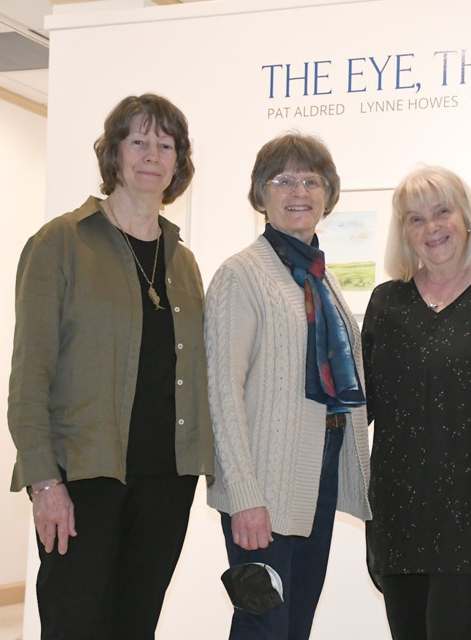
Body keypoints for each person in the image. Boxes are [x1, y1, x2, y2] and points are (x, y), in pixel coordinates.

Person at [7, 93, 215, 640]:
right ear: (114, 154)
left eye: (165, 145)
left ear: (179, 162)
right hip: (82, 477)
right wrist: (42, 481)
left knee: (136, 625)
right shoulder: (61, 242)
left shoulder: (183, 261)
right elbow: (29, 374)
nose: (152, 155)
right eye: (138, 141)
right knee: (76, 624)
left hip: (166, 480)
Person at [204, 131, 372, 639]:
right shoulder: (241, 274)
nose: (298, 191)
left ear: (328, 194)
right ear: (261, 194)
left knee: (296, 622)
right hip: (264, 486)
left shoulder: (321, 277)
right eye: (283, 180)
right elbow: (221, 393)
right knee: (263, 625)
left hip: (313, 475)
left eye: (310, 180)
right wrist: (244, 495)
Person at [361, 166, 471, 640]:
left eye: (442, 212)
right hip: (399, 515)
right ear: (404, 233)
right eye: (415, 219)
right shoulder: (386, 303)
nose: (431, 228)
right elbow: (357, 406)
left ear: (467, 218)